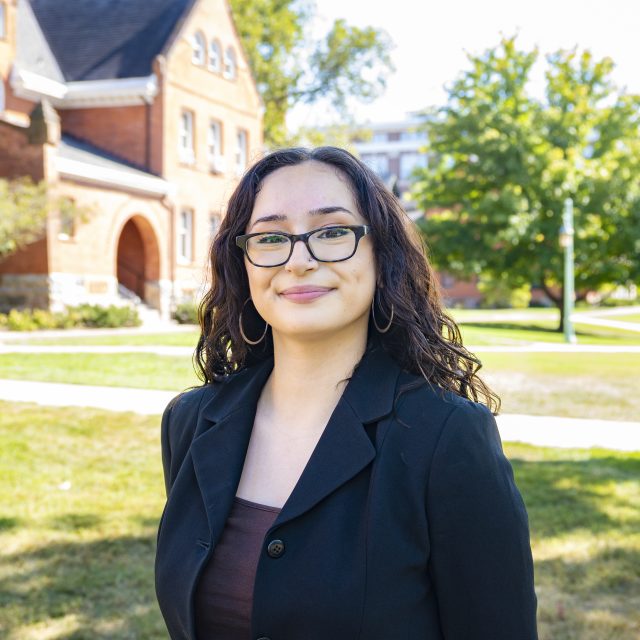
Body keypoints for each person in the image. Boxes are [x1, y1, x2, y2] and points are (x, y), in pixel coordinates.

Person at [155, 147, 538, 640]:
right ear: (244, 262)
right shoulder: (191, 421)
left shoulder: (445, 437)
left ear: (382, 254)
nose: (298, 260)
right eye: (271, 237)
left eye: (333, 232)